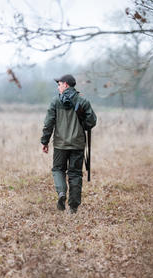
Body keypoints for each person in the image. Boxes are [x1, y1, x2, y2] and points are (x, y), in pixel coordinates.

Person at [41, 74, 97, 214]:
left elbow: (48, 123)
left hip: (60, 144)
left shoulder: (55, 102)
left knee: (58, 170)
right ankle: (73, 207)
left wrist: (45, 141)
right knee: (75, 174)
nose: (58, 87)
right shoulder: (83, 101)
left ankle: (61, 193)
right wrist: (82, 123)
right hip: (77, 144)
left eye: (59, 84)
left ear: (66, 85)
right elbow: (92, 122)